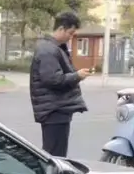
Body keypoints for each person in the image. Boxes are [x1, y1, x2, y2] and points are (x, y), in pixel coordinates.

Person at [29, 11, 91, 157]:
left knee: (56, 153)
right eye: (70, 33)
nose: (71, 37)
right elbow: (52, 79)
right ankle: (53, 173)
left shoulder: (54, 47)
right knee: (54, 156)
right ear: (61, 28)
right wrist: (77, 76)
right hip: (54, 110)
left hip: (56, 108)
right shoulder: (48, 50)